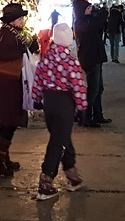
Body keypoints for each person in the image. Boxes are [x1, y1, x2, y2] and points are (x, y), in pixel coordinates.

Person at [32, 23, 87, 200]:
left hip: (49, 102)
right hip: (64, 103)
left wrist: (37, 98)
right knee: (58, 142)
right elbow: (78, 85)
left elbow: (38, 78)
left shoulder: (46, 58)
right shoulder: (70, 62)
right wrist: (82, 107)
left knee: (61, 138)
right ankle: (45, 184)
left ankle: (73, 176)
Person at [0, 3, 39, 178]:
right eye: (20, 18)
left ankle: (3, 159)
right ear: (12, 20)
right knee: (8, 123)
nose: (22, 21)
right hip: (8, 85)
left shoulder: (13, 33)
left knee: (8, 123)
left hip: (11, 84)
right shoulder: (7, 34)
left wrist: (29, 46)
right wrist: (25, 48)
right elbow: (4, 54)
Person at [73, 0, 110, 128]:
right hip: (91, 58)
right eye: (88, 8)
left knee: (98, 88)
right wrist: (104, 11)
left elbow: (99, 25)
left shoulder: (87, 21)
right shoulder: (82, 23)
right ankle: (86, 117)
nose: (91, 10)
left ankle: (98, 115)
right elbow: (97, 22)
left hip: (96, 57)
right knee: (93, 90)